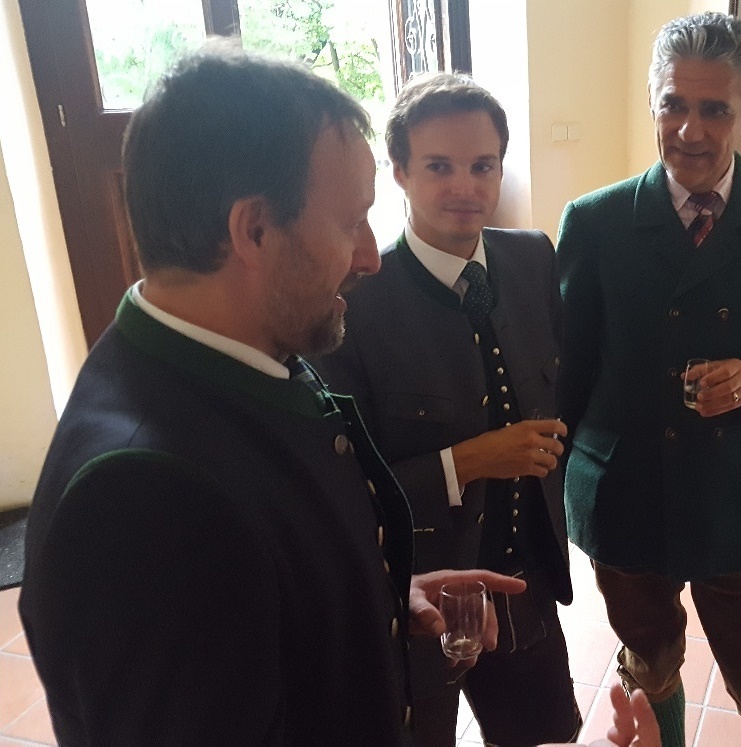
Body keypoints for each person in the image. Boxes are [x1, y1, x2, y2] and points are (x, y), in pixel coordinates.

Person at [16, 44, 529, 745]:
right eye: (351, 222)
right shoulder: (142, 501)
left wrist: (370, 596)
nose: (369, 256)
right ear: (254, 229)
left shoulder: (250, 349)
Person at [556, 11, 741, 747]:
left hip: (732, 499)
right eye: (673, 105)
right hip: (624, 495)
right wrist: (550, 494)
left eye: (714, 109)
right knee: (649, 666)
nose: (689, 130)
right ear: (651, 103)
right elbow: (568, 369)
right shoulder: (594, 222)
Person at [315, 72, 581, 746]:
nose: (465, 186)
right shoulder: (355, 299)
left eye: (482, 165)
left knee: (539, 736)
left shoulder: (532, 258)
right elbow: (342, 490)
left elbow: (564, 389)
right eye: (439, 166)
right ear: (399, 171)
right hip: (419, 595)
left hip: (527, 582)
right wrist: (466, 461)